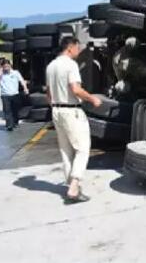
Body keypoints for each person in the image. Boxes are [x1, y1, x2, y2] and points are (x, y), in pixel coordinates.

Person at [46, 37, 101, 203]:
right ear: (70, 48)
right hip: (71, 111)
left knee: (66, 150)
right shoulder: (70, 65)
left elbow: (48, 94)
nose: (79, 51)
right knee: (83, 148)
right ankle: (75, 185)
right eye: (78, 48)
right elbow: (76, 89)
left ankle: (71, 185)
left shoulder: (51, 66)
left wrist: (56, 106)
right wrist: (93, 99)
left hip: (56, 110)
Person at [0, 59, 28, 131]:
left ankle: (15, 122)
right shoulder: (1, 74)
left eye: (7, 66)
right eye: (4, 66)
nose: (6, 68)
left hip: (15, 94)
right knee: (7, 111)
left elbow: (21, 80)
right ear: (2, 67)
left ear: (10, 65)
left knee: (15, 110)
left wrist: (25, 88)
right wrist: (0, 73)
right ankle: (9, 125)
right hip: (5, 95)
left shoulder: (15, 73)